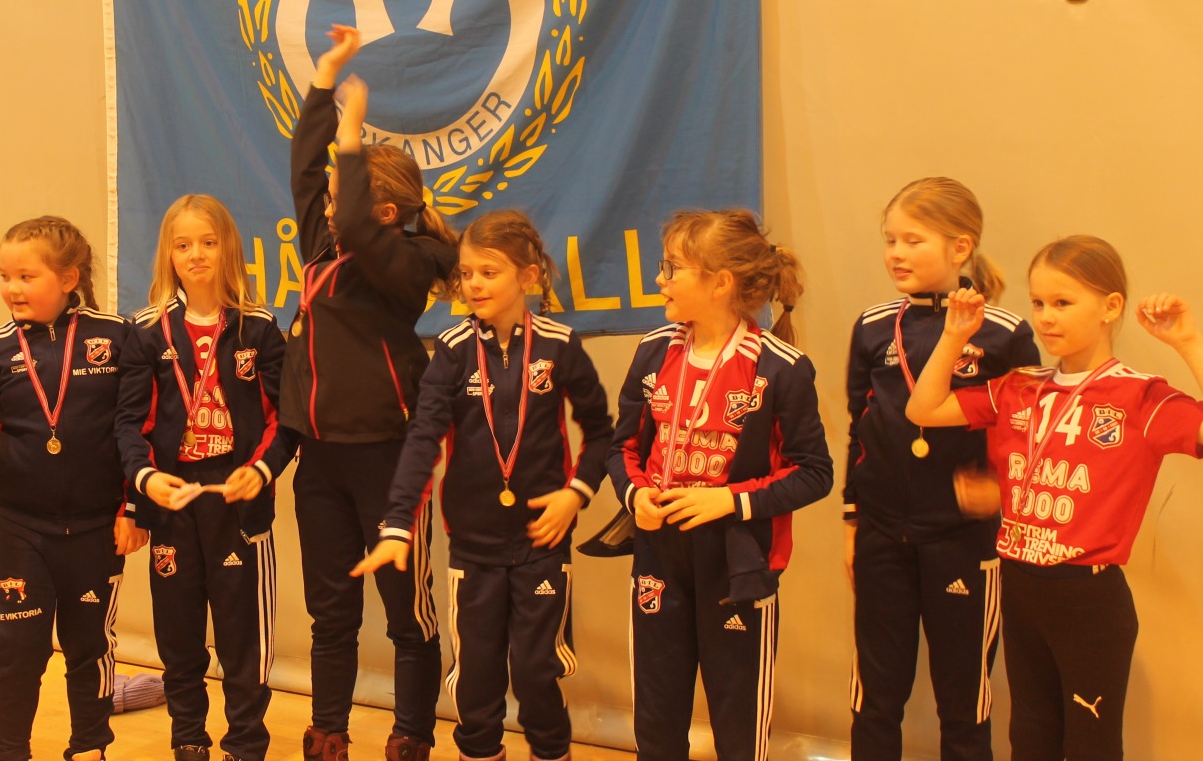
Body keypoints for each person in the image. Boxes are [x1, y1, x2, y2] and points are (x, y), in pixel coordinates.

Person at [906, 236, 1203, 761]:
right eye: (1038, 302)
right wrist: (954, 336)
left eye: (1063, 302)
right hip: (1021, 587)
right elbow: (922, 409)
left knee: (1090, 746)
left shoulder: (1139, 395)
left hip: (1088, 598)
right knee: (1031, 738)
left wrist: (1187, 342)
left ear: (1110, 307)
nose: (1045, 317)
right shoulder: (1020, 386)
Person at [355, 209, 612, 761]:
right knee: (476, 681)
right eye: (467, 273)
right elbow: (423, 440)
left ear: (528, 276)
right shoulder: (451, 350)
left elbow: (602, 436)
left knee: (536, 673)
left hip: (543, 542)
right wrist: (397, 524)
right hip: (473, 547)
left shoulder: (560, 345)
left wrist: (576, 494)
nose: (474, 284)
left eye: (489, 272)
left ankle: (552, 751)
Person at [280, 25, 460, 761]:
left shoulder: (409, 262)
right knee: (331, 613)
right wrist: (325, 81)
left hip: (388, 462)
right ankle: (328, 732)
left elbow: (351, 215)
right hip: (320, 459)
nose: (328, 209)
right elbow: (305, 172)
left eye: (342, 196)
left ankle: (411, 735)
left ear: (385, 213)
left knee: (407, 615)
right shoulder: (323, 247)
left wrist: (353, 135)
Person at [607, 209, 833, 761]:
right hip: (659, 553)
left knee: (738, 721)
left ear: (720, 283)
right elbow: (621, 449)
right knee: (656, 719)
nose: (660, 279)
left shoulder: (781, 367)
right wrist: (636, 496)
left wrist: (728, 500)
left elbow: (814, 473)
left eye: (672, 268)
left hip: (738, 562)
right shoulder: (654, 351)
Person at [0, 216, 147, 761]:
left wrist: (134, 507)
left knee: (90, 647)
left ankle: (90, 747)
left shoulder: (116, 337)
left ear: (69, 278)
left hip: (97, 531)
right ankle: (8, 750)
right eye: (5, 276)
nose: (12, 288)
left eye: (26, 276)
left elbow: (136, 426)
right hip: (20, 530)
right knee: (19, 649)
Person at [844, 179, 1038, 760]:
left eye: (913, 240)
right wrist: (853, 520)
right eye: (890, 240)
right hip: (882, 534)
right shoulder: (873, 326)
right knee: (875, 696)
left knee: (963, 700)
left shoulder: (1004, 333)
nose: (896, 254)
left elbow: (1030, 433)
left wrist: (1001, 488)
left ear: (960, 247)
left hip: (963, 538)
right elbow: (858, 427)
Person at [119, 195, 294, 761]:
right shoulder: (147, 332)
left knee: (244, 636)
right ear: (168, 255)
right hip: (173, 497)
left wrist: (261, 470)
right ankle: (188, 739)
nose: (196, 254)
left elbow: (284, 421)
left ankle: (245, 743)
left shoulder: (259, 329)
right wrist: (145, 479)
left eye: (208, 242)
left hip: (237, 498)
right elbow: (128, 425)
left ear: (229, 249)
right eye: (183, 244)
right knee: (178, 632)